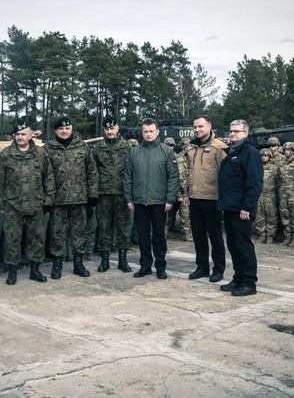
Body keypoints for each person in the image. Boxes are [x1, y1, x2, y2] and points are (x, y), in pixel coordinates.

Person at [0, 118, 55, 285]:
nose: (20, 137)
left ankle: (35, 270)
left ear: (30, 136)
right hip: (12, 206)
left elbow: (48, 178)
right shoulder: (6, 155)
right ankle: (12, 272)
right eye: (17, 134)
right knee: (12, 239)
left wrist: (48, 200)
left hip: (36, 204)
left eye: (23, 134)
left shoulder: (41, 154)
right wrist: (0, 204)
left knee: (37, 238)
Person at [124, 118, 179, 279]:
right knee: (142, 235)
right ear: (142, 133)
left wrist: (170, 199)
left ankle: (160, 266)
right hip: (140, 201)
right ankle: (145, 266)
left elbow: (173, 177)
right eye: (145, 131)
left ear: (157, 132)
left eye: (151, 131)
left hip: (159, 202)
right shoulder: (134, 152)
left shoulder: (166, 151)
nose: (148, 134)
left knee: (159, 236)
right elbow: (128, 177)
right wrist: (129, 198)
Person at [44, 116, 98, 279]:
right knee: (57, 233)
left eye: (67, 128)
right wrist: (47, 199)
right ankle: (57, 264)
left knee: (79, 233)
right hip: (57, 200)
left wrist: (92, 195)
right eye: (61, 129)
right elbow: (43, 175)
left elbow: (92, 172)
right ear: (56, 131)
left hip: (79, 199)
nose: (64, 131)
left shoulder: (82, 147)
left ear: (72, 129)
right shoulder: (48, 149)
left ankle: (78, 264)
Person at [217, 119, 263, 297]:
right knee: (233, 245)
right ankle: (238, 278)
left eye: (237, 131)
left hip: (241, 210)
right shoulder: (231, 153)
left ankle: (249, 283)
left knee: (243, 246)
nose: (233, 134)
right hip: (229, 207)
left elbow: (254, 183)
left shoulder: (249, 153)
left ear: (245, 133)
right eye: (231, 131)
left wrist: (247, 207)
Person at [183, 115, 227, 282]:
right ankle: (202, 267)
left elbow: (225, 175)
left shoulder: (219, 147)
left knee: (215, 236)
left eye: (201, 126)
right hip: (195, 198)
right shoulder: (192, 147)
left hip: (212, 199)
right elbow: (189, 172)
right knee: (198, 235)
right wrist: (186, 193)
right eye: (195, 127)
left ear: (209, 127)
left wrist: (223, 199)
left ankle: (218, 269)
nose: (197, 130)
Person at [93, 115, 132, 273]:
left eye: (112, 128)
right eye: (107, 129)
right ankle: (105, 260)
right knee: (104, 227)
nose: (110, 131)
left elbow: (131, 171)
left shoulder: (127, 147)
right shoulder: (98, 148)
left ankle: (123, 260)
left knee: (122, 227)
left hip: (121, 193)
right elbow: (93, 171)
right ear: (104, 129)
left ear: (117, 128)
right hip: (103, 194)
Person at [278, 142, 294, 248]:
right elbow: (279, 179)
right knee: (285, 217)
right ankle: (288, 237)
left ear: (293, 151)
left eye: (288, 150)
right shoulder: (281, 163)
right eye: (285, 150)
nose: (286, 151)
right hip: (283, 194)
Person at [255, 148, 279, 243]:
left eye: (266, 156)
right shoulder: (257, 167)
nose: (264, 157)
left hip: (270, 195)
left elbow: (279, 181)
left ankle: (270, 236)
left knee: (271, 216)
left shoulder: (275, 168)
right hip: (259, 194)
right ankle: (261, 234)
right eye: (262, 156)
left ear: (269, 157)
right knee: (259, 216)